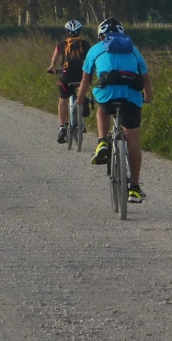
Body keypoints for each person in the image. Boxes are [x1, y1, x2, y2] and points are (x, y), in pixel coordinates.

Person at [77, 17, 153, 203]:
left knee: (102, 108)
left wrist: (80, 102)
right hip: (131, 98)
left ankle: (102, 141)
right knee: (132, 139)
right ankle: (134, 188)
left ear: (100, 35)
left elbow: (85, 81)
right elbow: (146, 78)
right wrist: (148, 97)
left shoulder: (95, 49)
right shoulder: (133, 49)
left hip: (107, 97)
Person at [46, 20, 92, 144]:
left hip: (66, 76)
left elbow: (55, 58)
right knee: (82, 90)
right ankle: (83, 107)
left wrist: (52, 67)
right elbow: (91, 59)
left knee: (63, 101)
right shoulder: (85, 44)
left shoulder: (62, 44)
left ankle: (62, 128)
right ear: (79, 31)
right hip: (82, 75)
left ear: (66, 32)